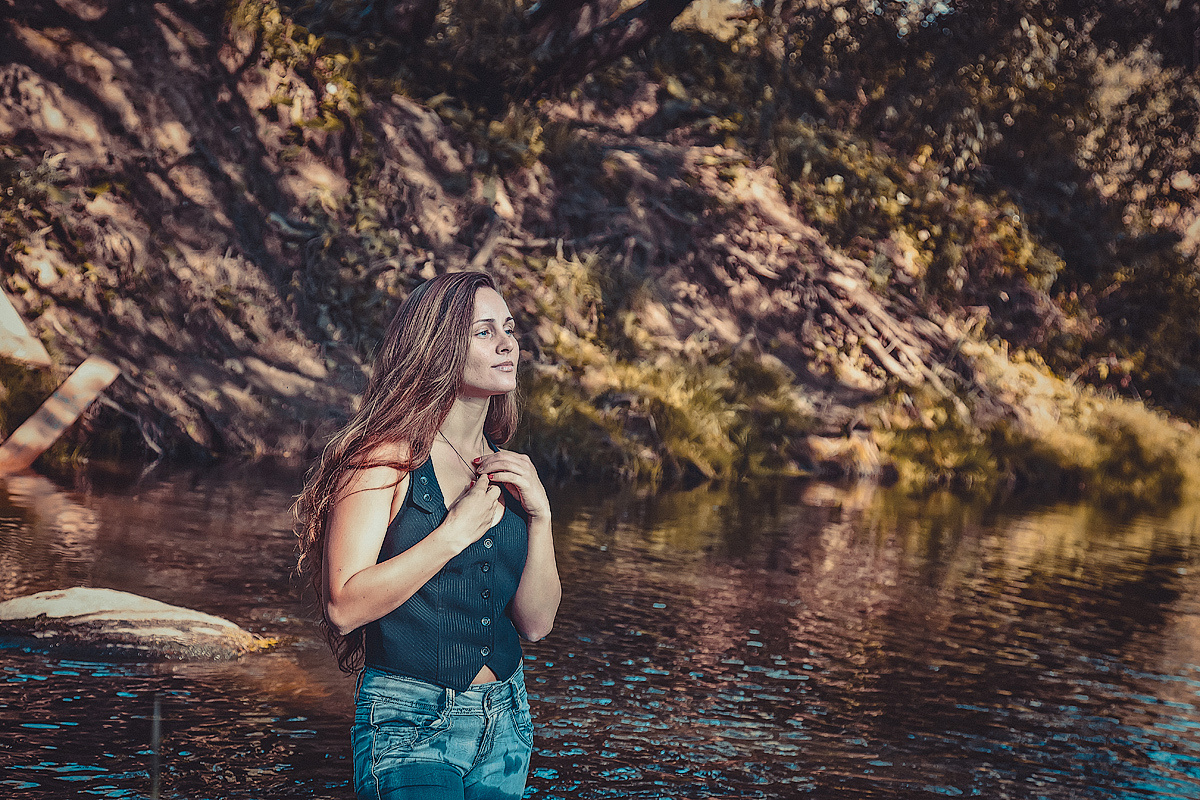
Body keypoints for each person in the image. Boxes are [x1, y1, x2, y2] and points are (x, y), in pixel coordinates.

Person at [295, 270, 561, 800]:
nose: (507, 343)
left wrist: (542, 518)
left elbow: (536, 624)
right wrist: (451, 534)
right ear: (437, 345)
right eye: (483, 332)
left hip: (506, 722)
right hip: (408, 721)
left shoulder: (506, 469)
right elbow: (344, 605)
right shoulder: (384, 458)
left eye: (508, 328)